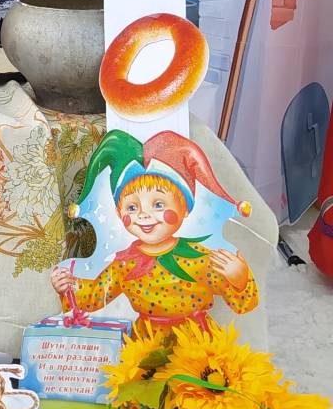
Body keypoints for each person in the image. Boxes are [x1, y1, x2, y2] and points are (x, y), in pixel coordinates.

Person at [50, 130, 258, 332]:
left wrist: (239, 279)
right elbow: (95, 295)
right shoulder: (124, 264)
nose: (144, 215)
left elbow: (243, 304)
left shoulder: (200, 258)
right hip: (145, 342)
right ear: (119, 212)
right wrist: (68, 286)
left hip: (196, 341)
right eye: (132, 207)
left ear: (185, 208)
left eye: (158, 204)